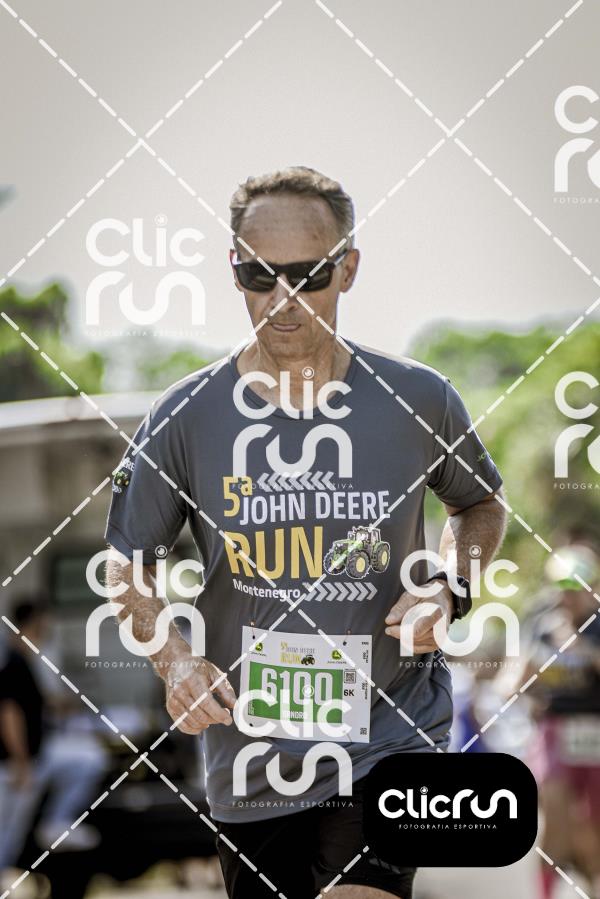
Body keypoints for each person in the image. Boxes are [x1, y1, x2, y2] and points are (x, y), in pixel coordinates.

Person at [105, 166, 506, 898]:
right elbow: (127, 564)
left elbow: (480, 504)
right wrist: (175, 661)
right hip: (251, 760)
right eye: (259, 275)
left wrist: (450, 587)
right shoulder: (186, 415)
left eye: (309, 275)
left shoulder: (417, 398)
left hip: (391, 736)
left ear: (348, 268)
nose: (282, 299)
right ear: (233, 269)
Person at [516, 545, 600, 899]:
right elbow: (517, 681)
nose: (568, 595)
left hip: (594, 730)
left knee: (592, 825)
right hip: (554, 731)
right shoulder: (542, 622)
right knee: (553, 824)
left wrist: (582, 648)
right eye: (562, 586)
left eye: (575, 587)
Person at [0, 600, 103, 874]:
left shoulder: (24, 659)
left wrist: (63, 703)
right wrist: (21, 762)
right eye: (42, 626)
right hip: (16, 763)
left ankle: (57, 823)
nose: (46, 633)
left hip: (36, 756)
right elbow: (9, 713)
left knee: (89, 760)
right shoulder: (12, 659)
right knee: (7, 833)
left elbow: (34, 702)